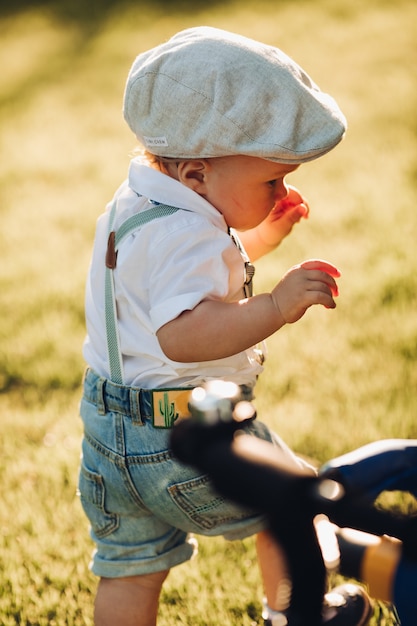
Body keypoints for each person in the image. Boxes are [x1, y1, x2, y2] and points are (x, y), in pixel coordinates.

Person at [78, 26, 372, 626]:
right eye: (271, 182)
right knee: (291, 501)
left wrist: (263, 236)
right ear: (194, 175)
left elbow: (191, 281)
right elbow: (183, 334)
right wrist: (276, 306)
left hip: (109, 436)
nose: (282, 190)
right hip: (181, 439)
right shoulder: (184, 232)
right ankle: (298, 610)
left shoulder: (139, 207)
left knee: (131, 565)